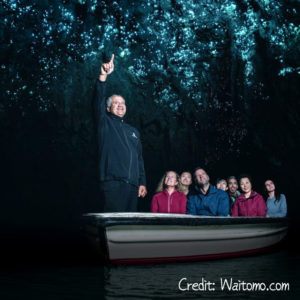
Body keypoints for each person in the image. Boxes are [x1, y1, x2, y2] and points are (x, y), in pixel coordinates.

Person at [93, 54, 147, 212]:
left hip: (132, 186)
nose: (120, 105)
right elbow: (97, 100)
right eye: (115, 103)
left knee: (129, 225)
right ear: (108, 108)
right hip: (113, 184)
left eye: (122, 103)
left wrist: (142, 182)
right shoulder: (104, 123)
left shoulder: (134, 131)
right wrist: (103, 75)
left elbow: (139, 159)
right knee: (113, 223)